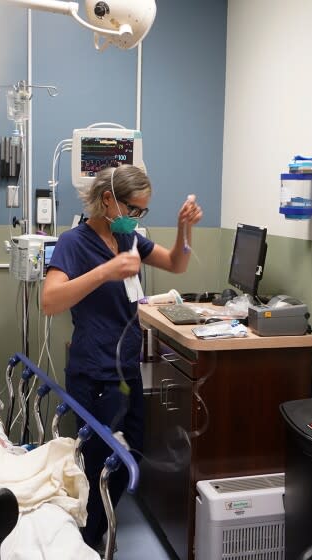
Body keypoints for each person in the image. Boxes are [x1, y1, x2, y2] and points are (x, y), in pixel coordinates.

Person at [41, 164, 202, 549]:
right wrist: (105, 272)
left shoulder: (128, 239)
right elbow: (49, 301)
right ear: (108, 199)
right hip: (94, 371)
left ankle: (97, 528)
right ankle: (90, 540)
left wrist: (184, 228)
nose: (136, 218)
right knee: (96, 463)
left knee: (134, 450)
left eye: (142, 212)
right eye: (133, 209)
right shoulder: (74, 243)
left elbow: (176, 263)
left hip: (126, 368)